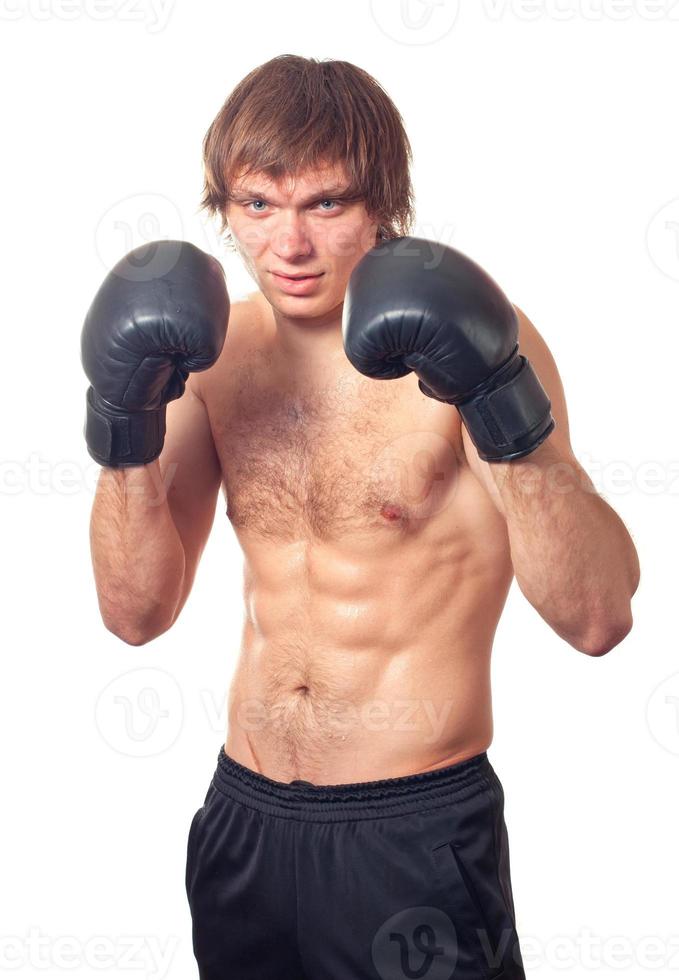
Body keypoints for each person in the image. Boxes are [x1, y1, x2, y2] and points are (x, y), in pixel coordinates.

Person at [82, 55, 640, 980]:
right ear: (224, 208)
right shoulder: (207, 355)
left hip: (411, 831)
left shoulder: (472, 336)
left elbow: (597, 617)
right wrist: (124, 427)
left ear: (384, 203)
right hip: (244, 824)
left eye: (325, 204)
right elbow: (133, 614)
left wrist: (498, 402)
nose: (287, 245)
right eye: (257, 206)